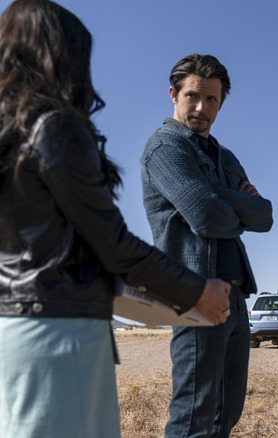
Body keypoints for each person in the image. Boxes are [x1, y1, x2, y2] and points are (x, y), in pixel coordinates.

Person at [0, 1, 232, 437]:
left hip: (16, 328)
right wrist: (195, 290)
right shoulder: (55, 127)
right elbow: (111, 241)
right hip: (61, 333)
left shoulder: (9, 132)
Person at [141, 54, 273, 437]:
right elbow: (205, 216)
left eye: (212, 99)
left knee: (226, 413)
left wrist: (213, 195)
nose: (202, 108)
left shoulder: (224, 156)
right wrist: (227, 204)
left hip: (235, 294)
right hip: (195, 290)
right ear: (173, 94)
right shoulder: (165, 148)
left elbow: (264, 217)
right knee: (193, 417)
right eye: (193, 96)